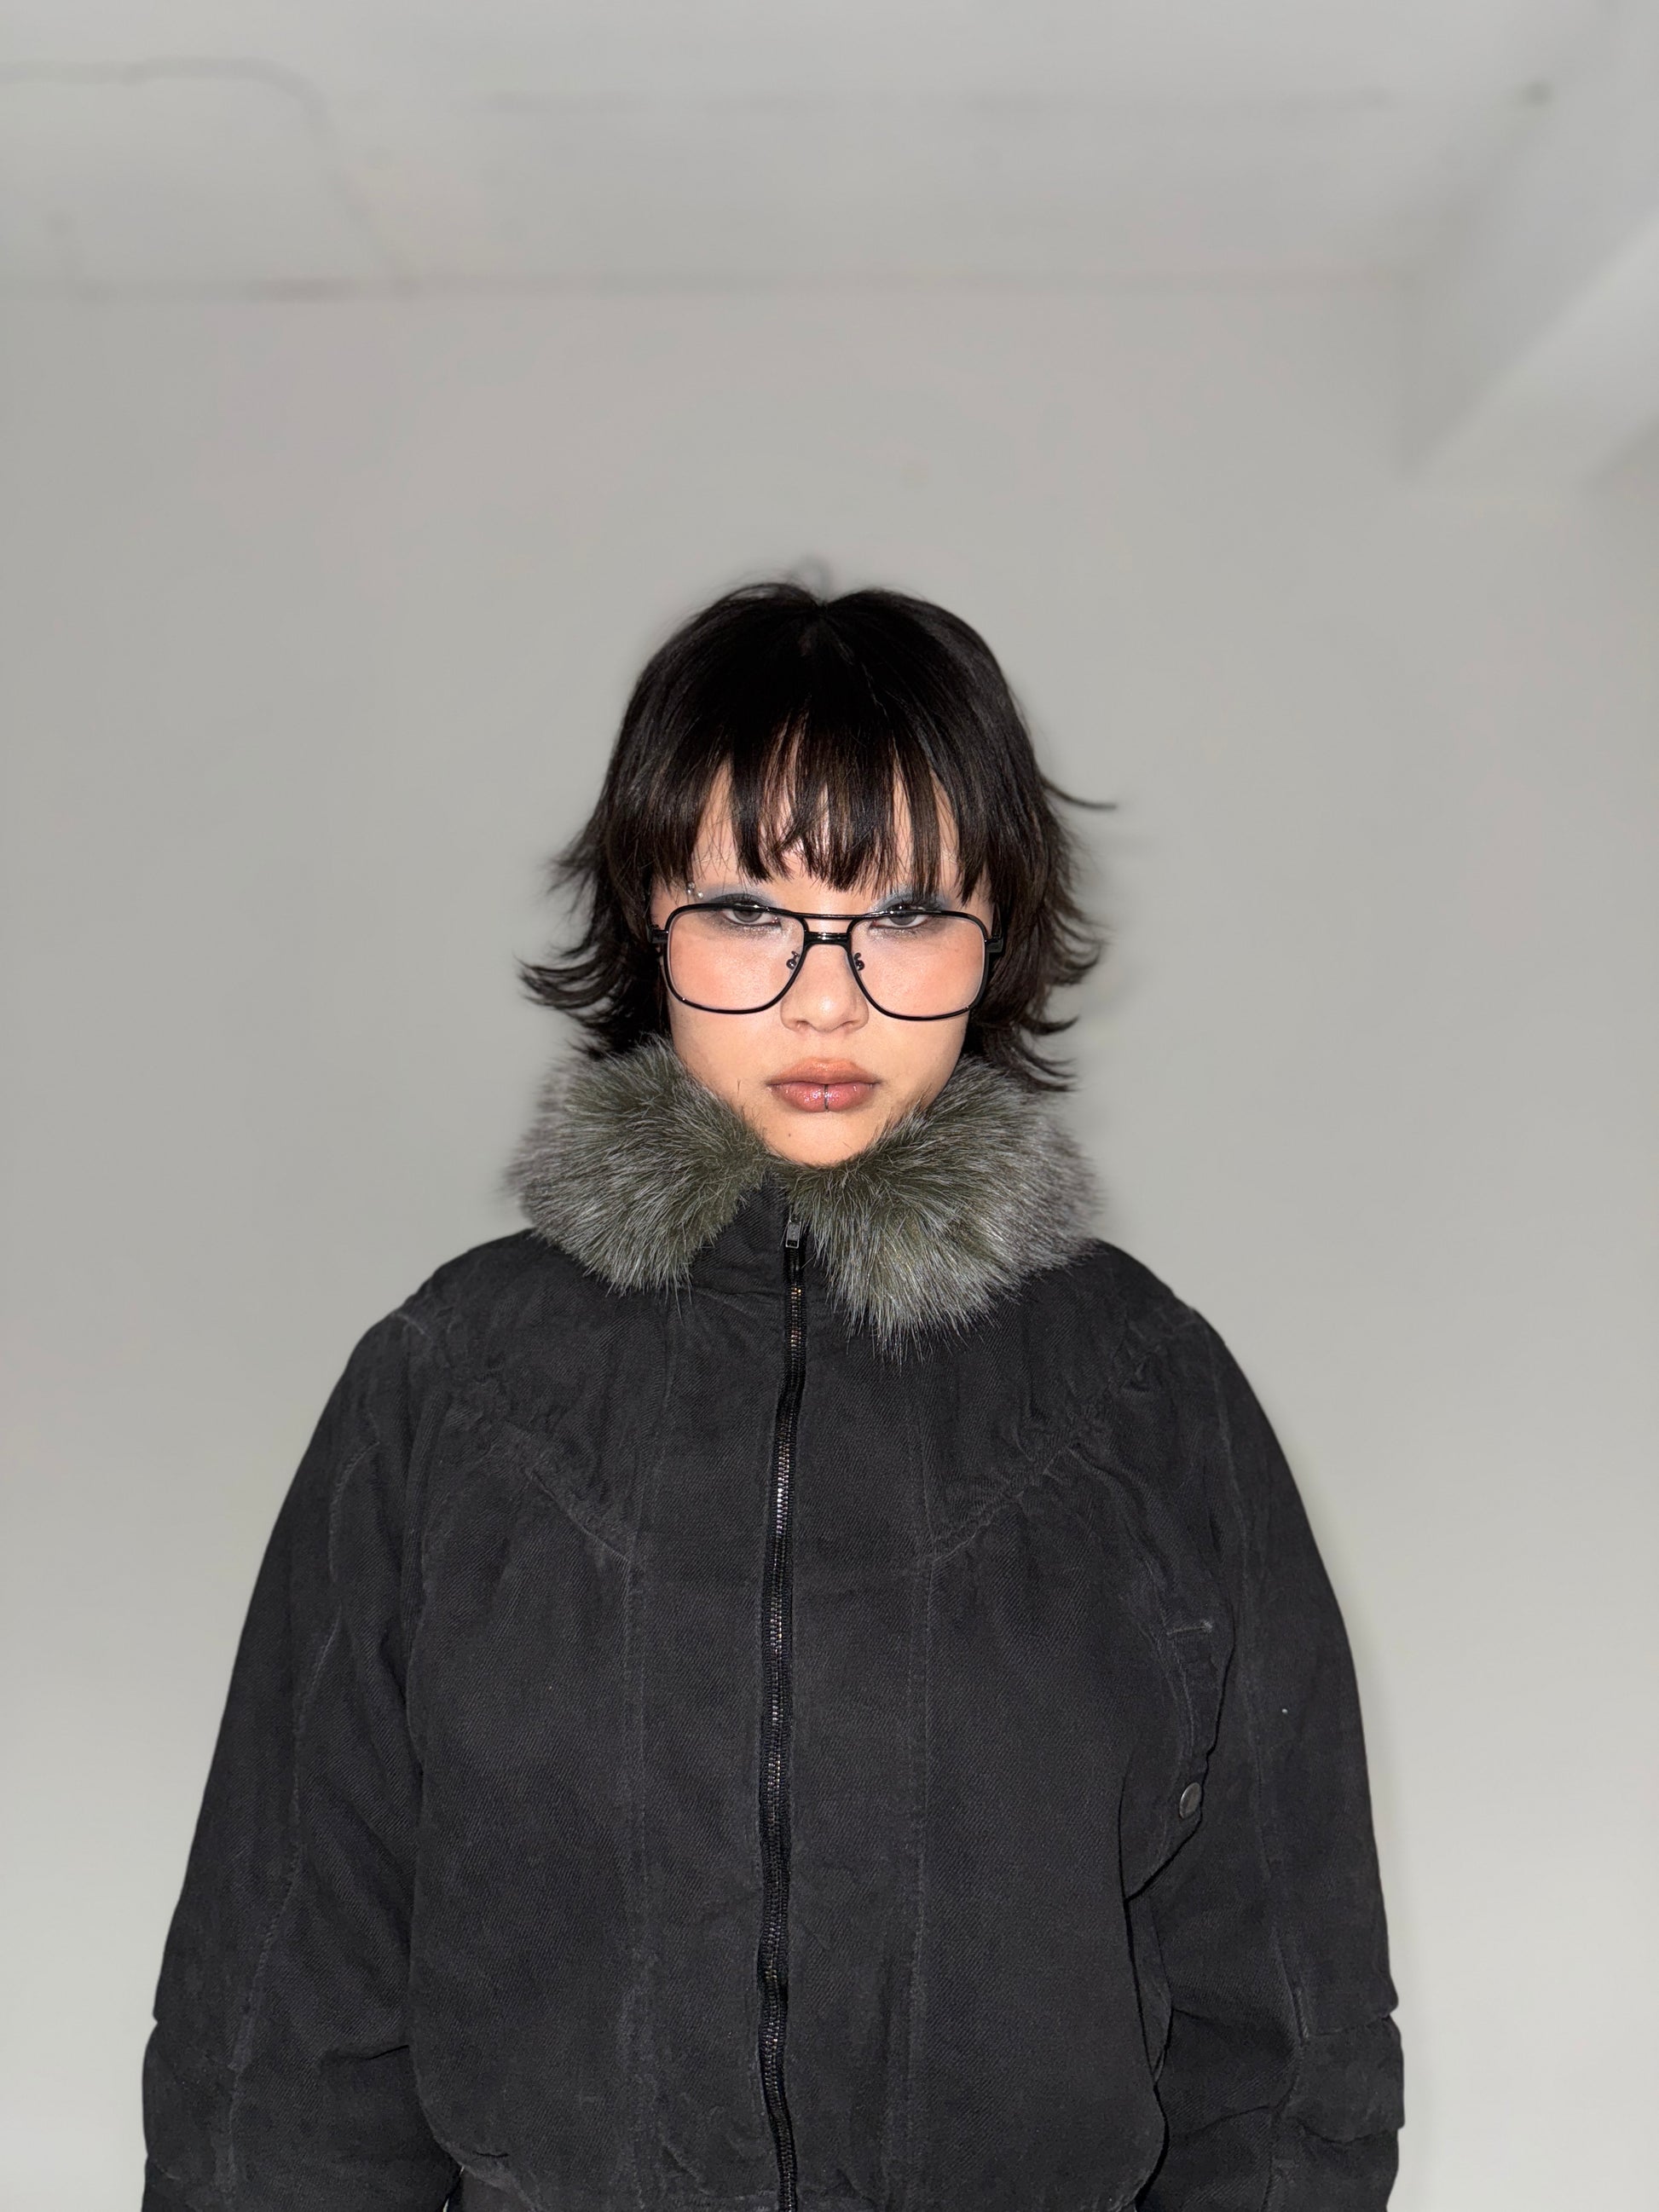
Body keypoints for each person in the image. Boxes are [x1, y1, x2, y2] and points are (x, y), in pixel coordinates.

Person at [142, 580, 1403, 2212]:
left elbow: (1288, 2041)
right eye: (748, 909)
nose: (827, 998)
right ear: (644, 916)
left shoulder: (1144, 1393)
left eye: (904, 913)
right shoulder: (451, 1385)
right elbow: (277, 2032)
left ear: (999, 932)